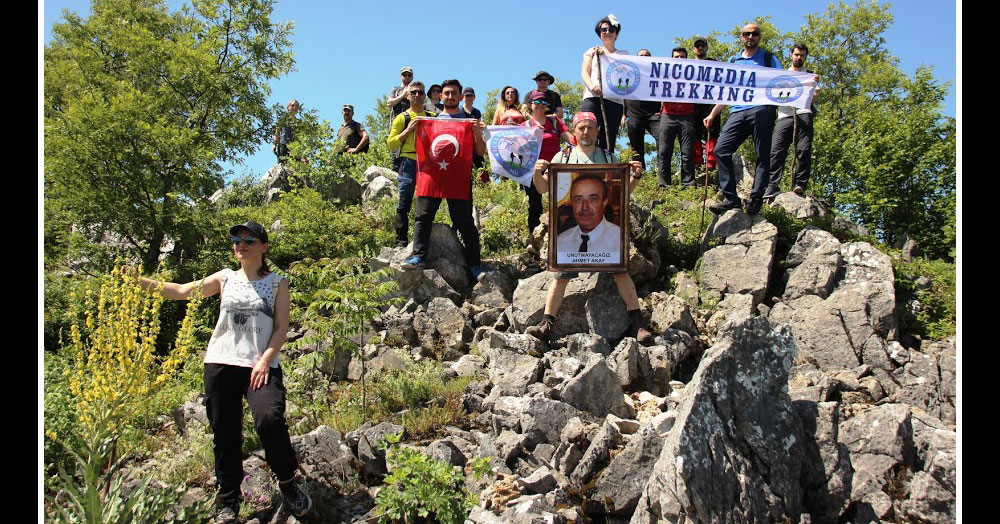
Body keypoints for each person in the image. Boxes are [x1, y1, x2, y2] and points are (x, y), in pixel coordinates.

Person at [128, 221, 311, 523]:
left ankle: (288, 482)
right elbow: (180, 291)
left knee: (269, 417)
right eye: (237, 240)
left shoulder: (278, 282)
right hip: (221, 362)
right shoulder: (224, 278)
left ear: (264, 246)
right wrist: (138, 281)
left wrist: (265, 361)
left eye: (249, 239)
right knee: (225, 432)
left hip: (259, 365)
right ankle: (228, 500)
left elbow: (281, 328)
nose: (241, 244)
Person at [526, 111, 653, 344]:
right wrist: (536, 172)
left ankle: (638, 324)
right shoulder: (562, 157)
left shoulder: (607, 156)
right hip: (568, 231)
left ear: (597, 131)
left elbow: (622, 193)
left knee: (620, 270)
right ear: (574, 131)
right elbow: (544, 189)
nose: (585, 132)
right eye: (581, 128)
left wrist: (635, 177)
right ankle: (546, 324)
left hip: (606, 231)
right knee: (561, 274)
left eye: (590, 128)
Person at [402, 79, 488, 282]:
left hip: (458, 177)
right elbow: (421, 148)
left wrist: (477, 132)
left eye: (454, 93)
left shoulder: (469, 120)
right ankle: (418, 257)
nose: (450, 96)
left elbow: (480, 152)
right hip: (433, 177)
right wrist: (415, 128)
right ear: (440, 96)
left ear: (460, 97)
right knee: (423, 217)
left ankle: (475, 265)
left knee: (465, 222)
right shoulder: (430, 120)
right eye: (446, 93)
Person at [703, 22, 782, 215]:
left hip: (762, 109)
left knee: (762, 154)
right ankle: (731, 199)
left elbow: (786, 79)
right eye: (747, 33)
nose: (750, 37)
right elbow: (726, 91)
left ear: (759, 37)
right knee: (721, 150)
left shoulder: (768, 58)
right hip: (737, 111)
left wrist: (807, 82)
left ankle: (756, 199)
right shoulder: (733, 61)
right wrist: (713, 113)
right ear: (741, 37)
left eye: (754, 34)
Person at [388, 81, 438, 248]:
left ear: (425, 96)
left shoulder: (432, 117)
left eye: (421, 93)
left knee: (426, 204)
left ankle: (423, 241)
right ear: (407, 96)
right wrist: (408, 130)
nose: (417, 95)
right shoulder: (402, 118)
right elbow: (391, 144)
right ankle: (400, 242)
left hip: (427, 165)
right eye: (414, 92)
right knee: (404, 203)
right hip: (408, 162)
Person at [766, 44, 817, 199]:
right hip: (784, 115)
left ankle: (800, 184)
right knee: (777, 150)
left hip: (804, 114)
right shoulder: (782, 75)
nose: (798, 57)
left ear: (805, 57)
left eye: (801, 55)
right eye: (796, 54)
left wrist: (812, 85)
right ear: (791, 55)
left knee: (803, 150)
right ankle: (772, 185)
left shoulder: (809, 75)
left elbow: (815, 98)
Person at [523, 90, 573, 236]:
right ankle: (534, 238)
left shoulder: (554, 122)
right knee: (534, 205)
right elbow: (516, 148)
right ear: (530, 105)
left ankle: (560, 236)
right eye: (537, 102)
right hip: (533, 170)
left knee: (560, 203)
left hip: (555, 168)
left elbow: (570, 139)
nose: (540, 104)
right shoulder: (525, 125)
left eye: (543, 102)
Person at [581, 14, 629, 151]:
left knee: (609, 138)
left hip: (615, 101)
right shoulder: (592, 51)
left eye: (611, 30)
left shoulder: (624, 54)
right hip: (592, 98)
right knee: (586, 130)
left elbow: (626, 76)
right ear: (600, 34)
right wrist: (592, 86)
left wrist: (606, 56)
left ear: (616, 34)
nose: (607, 32)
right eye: (603, 30)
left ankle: (606, 167)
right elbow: (585, 73)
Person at [657, 47, 698, 187]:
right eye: (676, 57)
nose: (679, 59)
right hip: (667, 115)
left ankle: (688, 185)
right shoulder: (665, 74)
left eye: (682, 57)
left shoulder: (694, 74)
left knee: (687, 152)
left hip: (687, 116)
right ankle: (664, 186)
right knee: (664, 152)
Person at [556, 173, 621, 259]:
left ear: (604, 202)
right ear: (572, 202)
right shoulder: (561, 241)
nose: (585, 207)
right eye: (579, 199)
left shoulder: (619, 239)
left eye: (593, 199)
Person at [621, 49, 662, 172]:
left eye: (646, 55)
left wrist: (664, 109)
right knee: (636, 148)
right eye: (641, 55)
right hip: (633, 115)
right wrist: (623, 114)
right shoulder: (629, 73)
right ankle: (639, 176)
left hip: (654, 115)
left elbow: (667, 91)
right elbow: (622, 92)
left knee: (663, 140)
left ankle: (661, 172)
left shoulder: (658, 74)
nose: (644, 57)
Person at [692, 38, 720, 172]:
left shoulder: (714, 63)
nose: (700, 48)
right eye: (698, 46)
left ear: (707, 48)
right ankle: (697, 162)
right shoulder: (688, 65)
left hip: (711, 103)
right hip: (694, 103)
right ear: (694, 49)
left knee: (711, 132)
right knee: (694, 133)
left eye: (703, 46)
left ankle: (711, 163)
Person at [272, 99, 299, 163]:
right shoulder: (283, 118)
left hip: (293, 147)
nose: (294, 107)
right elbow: (277, 131)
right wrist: (274, 144)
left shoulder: (298, 122)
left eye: (296, 106)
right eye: (292, 105)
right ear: (288, 107)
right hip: (283, 144)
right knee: (282, 164)